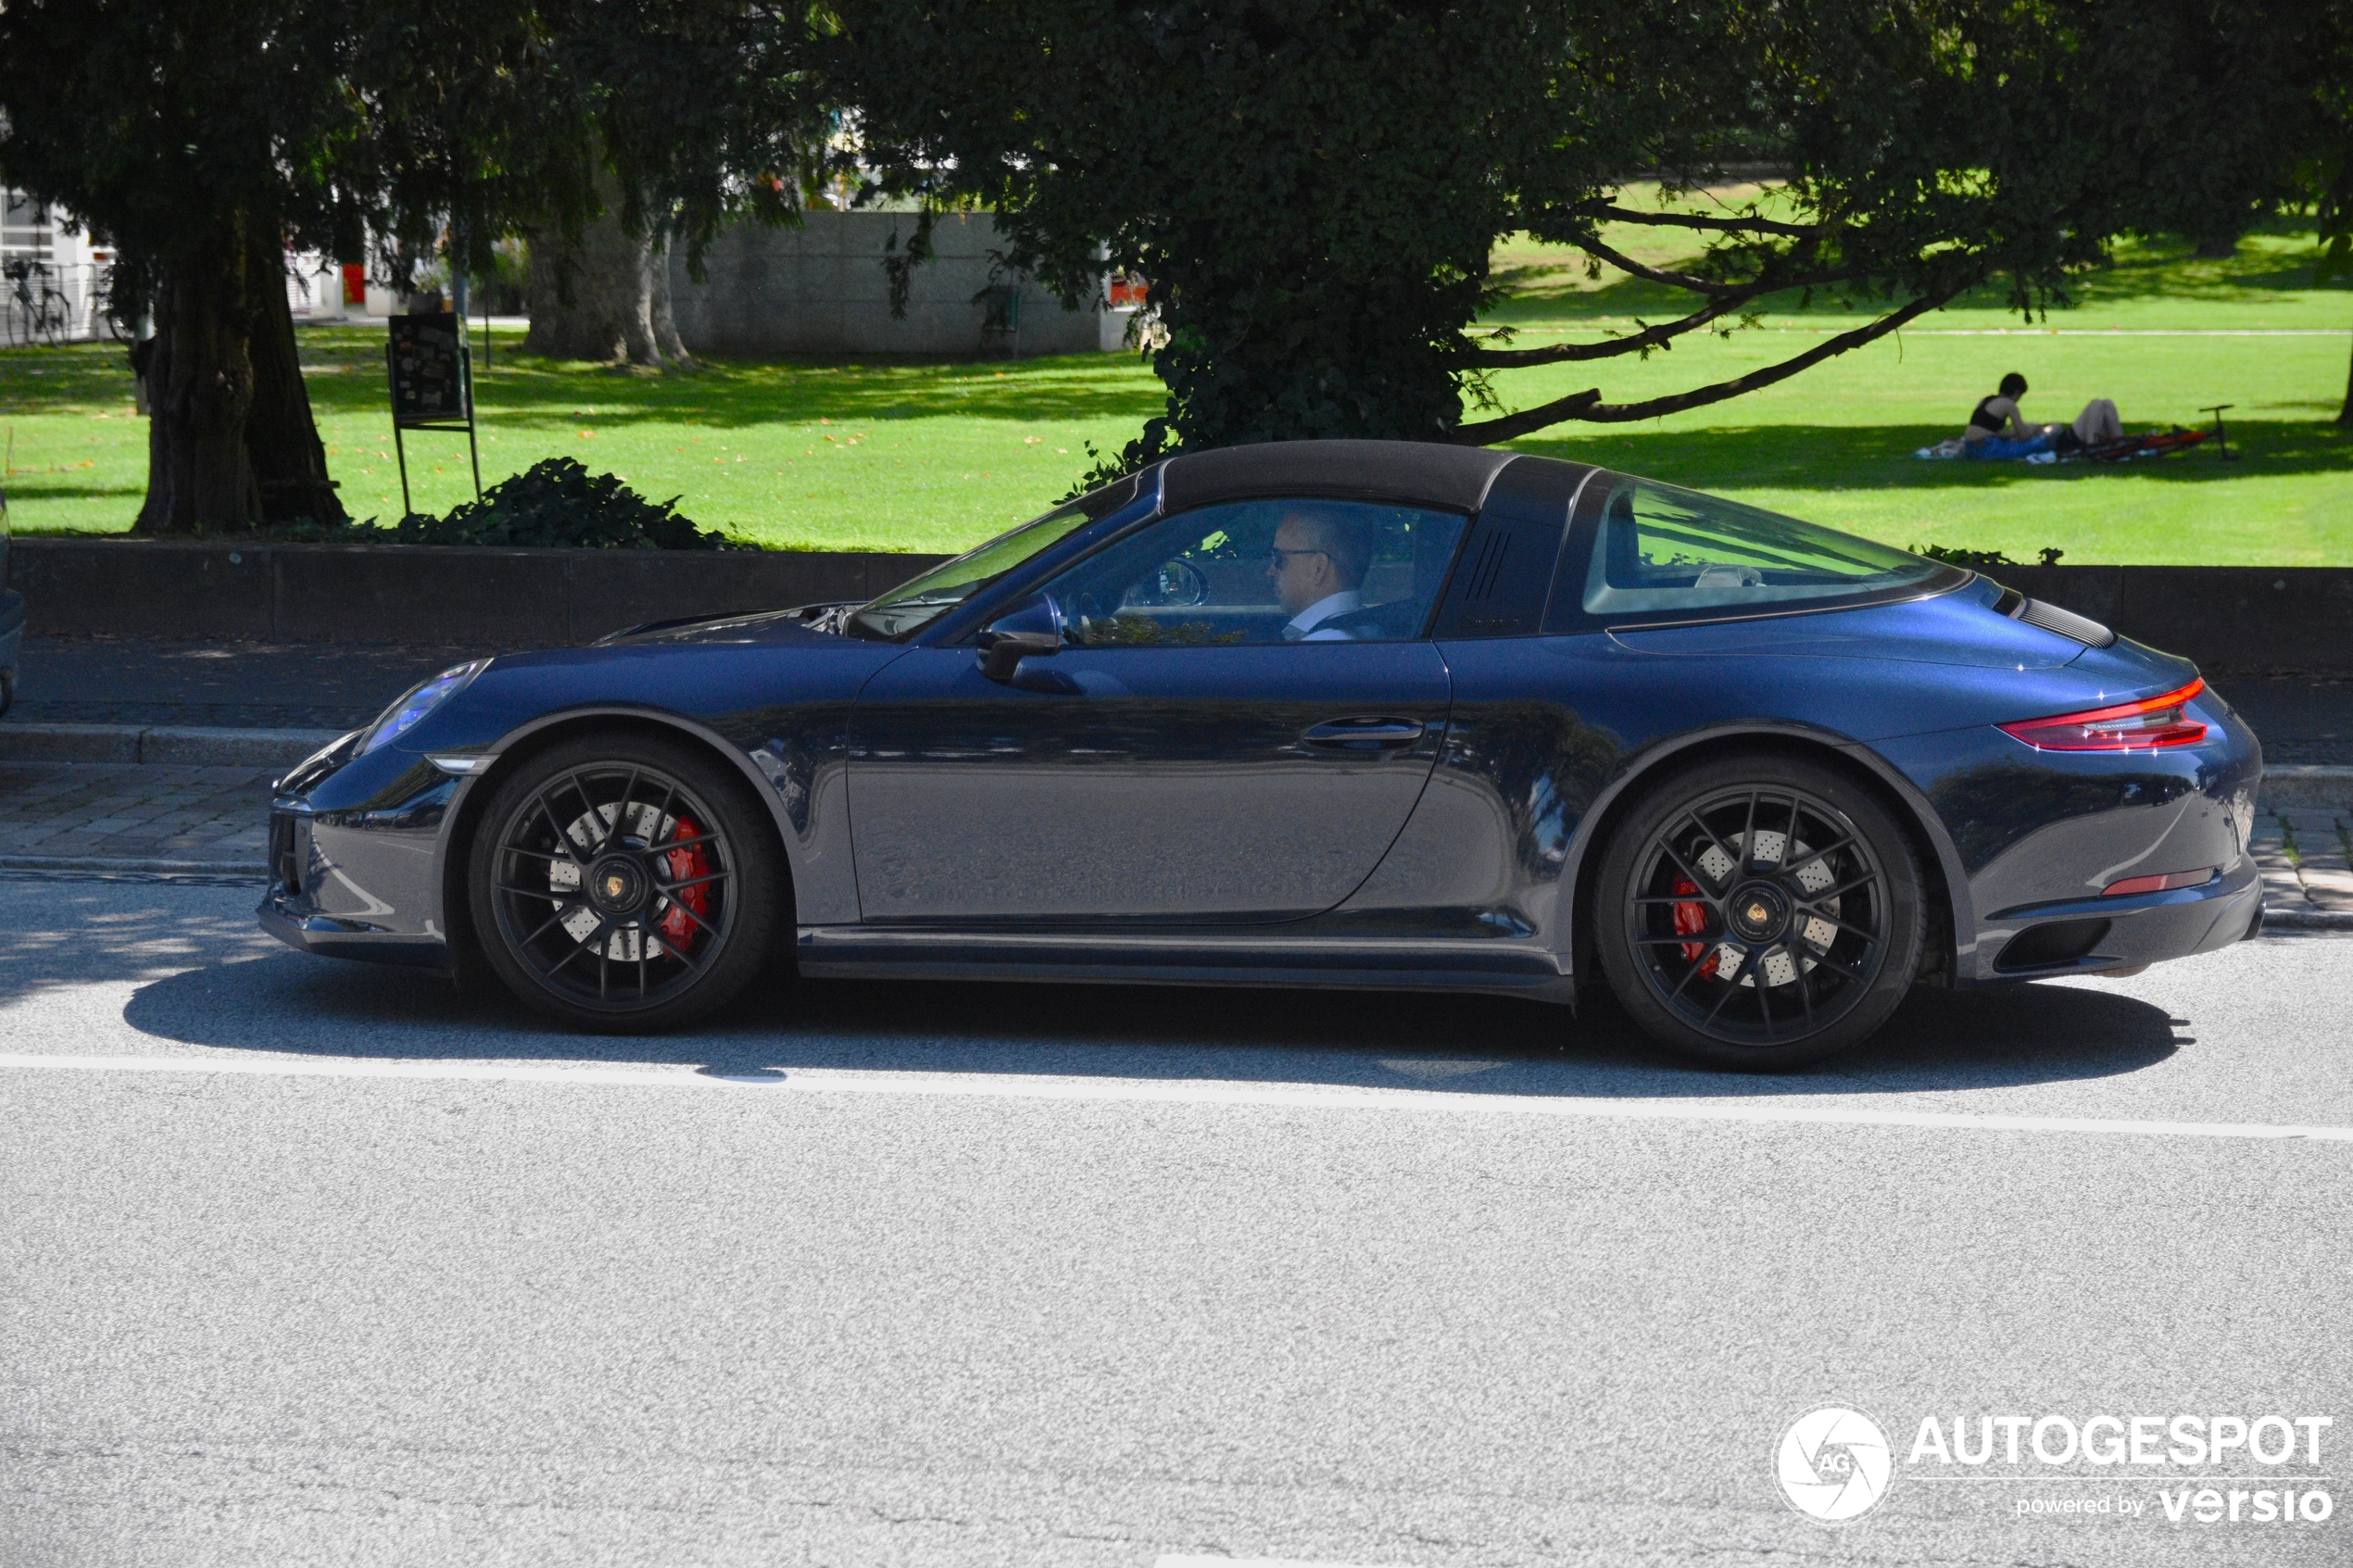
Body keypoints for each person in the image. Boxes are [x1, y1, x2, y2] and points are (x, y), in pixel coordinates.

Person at [1266, 508, 1376, 640]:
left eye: (1279, 559)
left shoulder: (1319, 645)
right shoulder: (1370, 630)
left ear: (1318, 567)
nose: (1270, 572)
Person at [1963, 372, 2125, 458]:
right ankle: (2091, 445)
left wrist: (2008, 434)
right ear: (2017, 392)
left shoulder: (1986, 400)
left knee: (2104, 404)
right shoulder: (2008, 404)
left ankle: (2117, 443)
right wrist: (2038, 430)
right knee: (2097, 404)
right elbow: (2025, 436)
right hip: (1989, 447)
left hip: (1973, 446)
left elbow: (1981, 427)